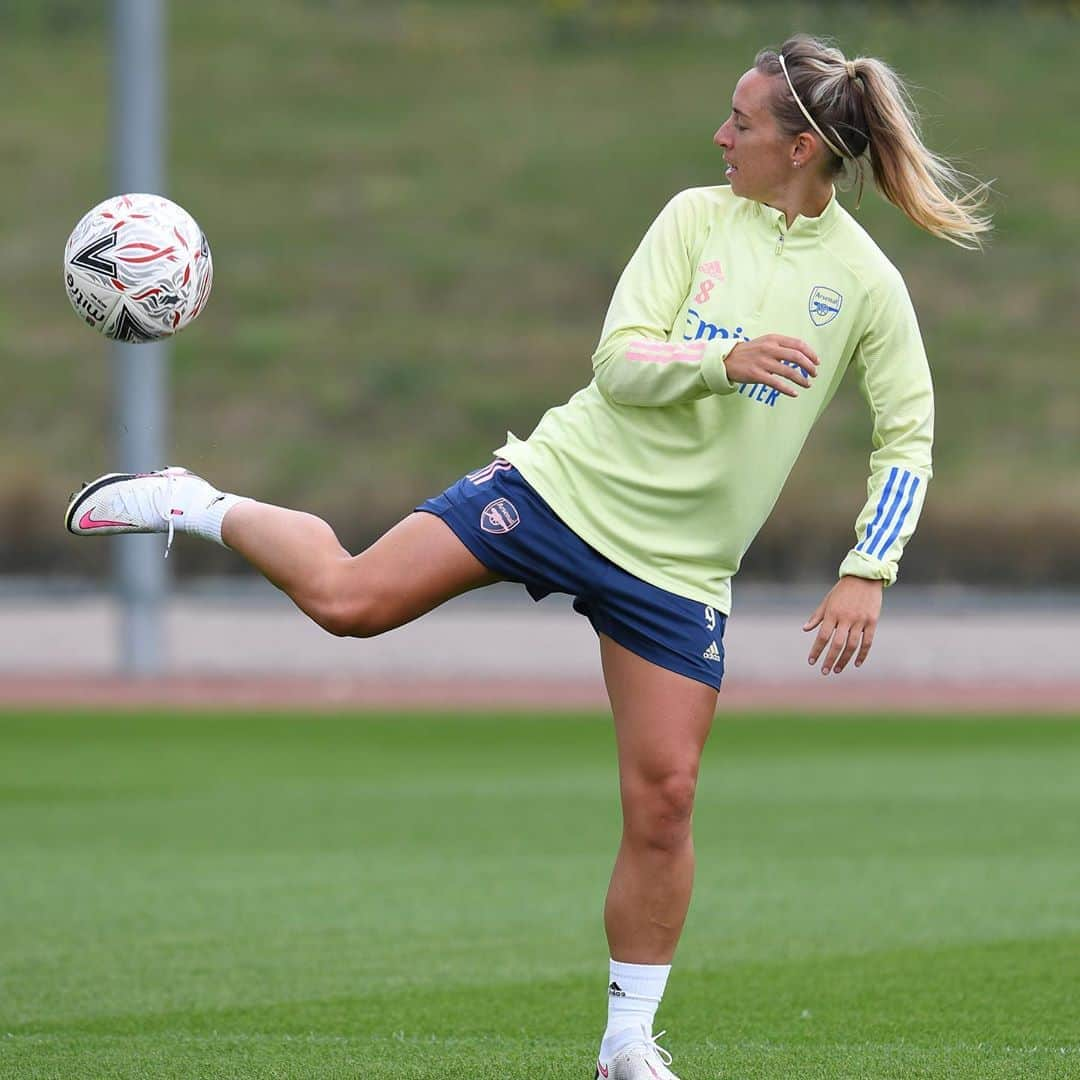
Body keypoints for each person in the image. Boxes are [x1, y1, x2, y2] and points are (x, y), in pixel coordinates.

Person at [65, 34, 991, 1080]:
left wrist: (870, 567)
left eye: (742, 121)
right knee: (351, 601)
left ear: (802, 147)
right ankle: (193, 501)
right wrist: (717, 358)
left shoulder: (864, 283)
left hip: (677, 572)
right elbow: (621, 361)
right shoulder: (695, 217)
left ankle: (628, 1043)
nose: (720, 134)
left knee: (668, 799)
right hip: (559, 490)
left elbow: (907, 436)